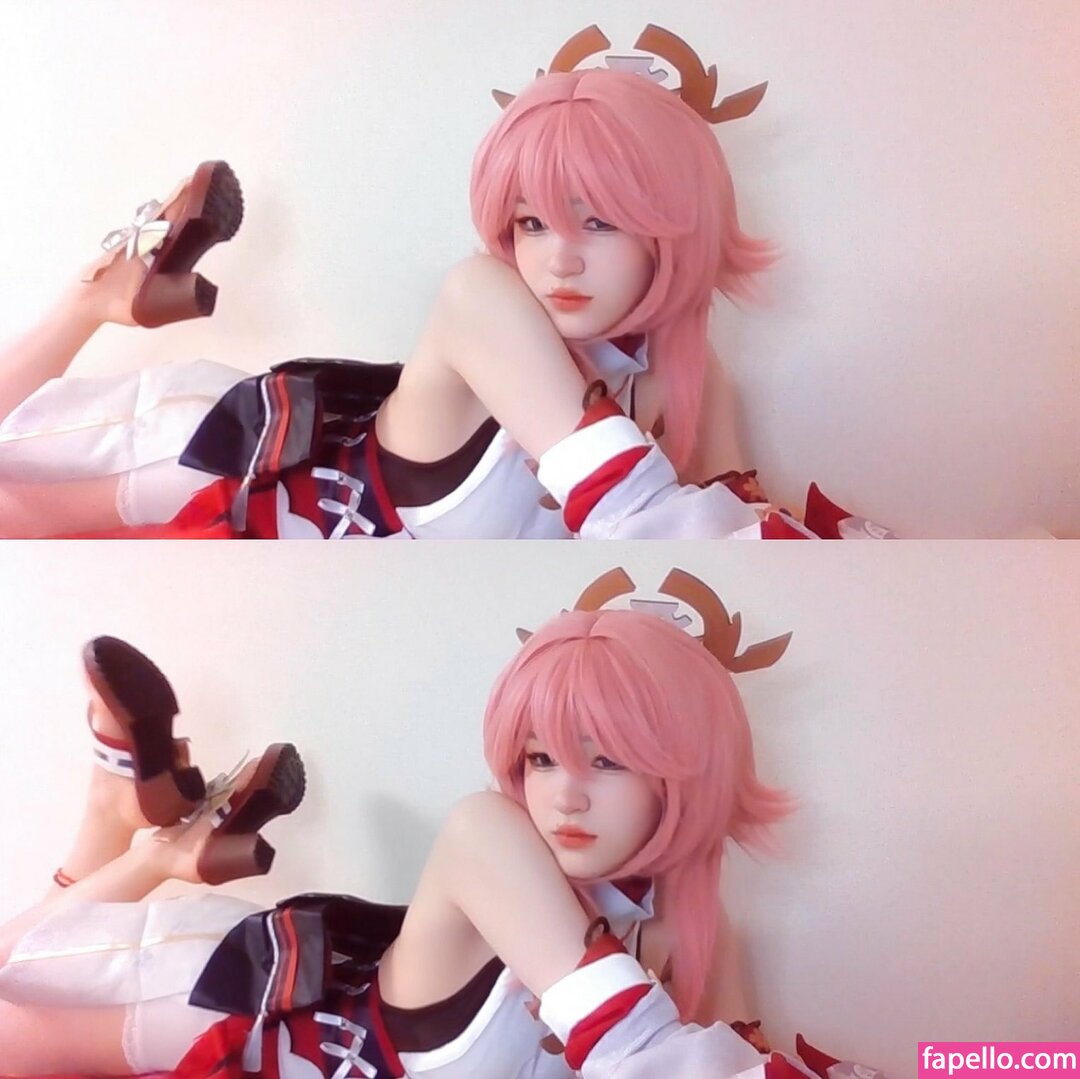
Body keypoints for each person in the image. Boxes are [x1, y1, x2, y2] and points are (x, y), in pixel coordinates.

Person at [0, 569, 798, 1077]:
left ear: (685, 767)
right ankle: (148, 842)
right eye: (541, 759)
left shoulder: (702, 937)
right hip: (235, 1006)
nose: (565, 797)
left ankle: (122, 813)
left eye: (608, 760)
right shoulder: (488, 837)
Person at [0, 26, 773, 539]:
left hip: (313, 489)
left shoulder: (693, 375)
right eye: (532, 223)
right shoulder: (482, 298)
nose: (558, 261)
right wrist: (81, 310)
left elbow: (736, 545)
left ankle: (102, 297)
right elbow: (653, 528)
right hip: (240, 461)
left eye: (598, 222)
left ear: (673, 227)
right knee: (25, 514)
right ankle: (93, 297)